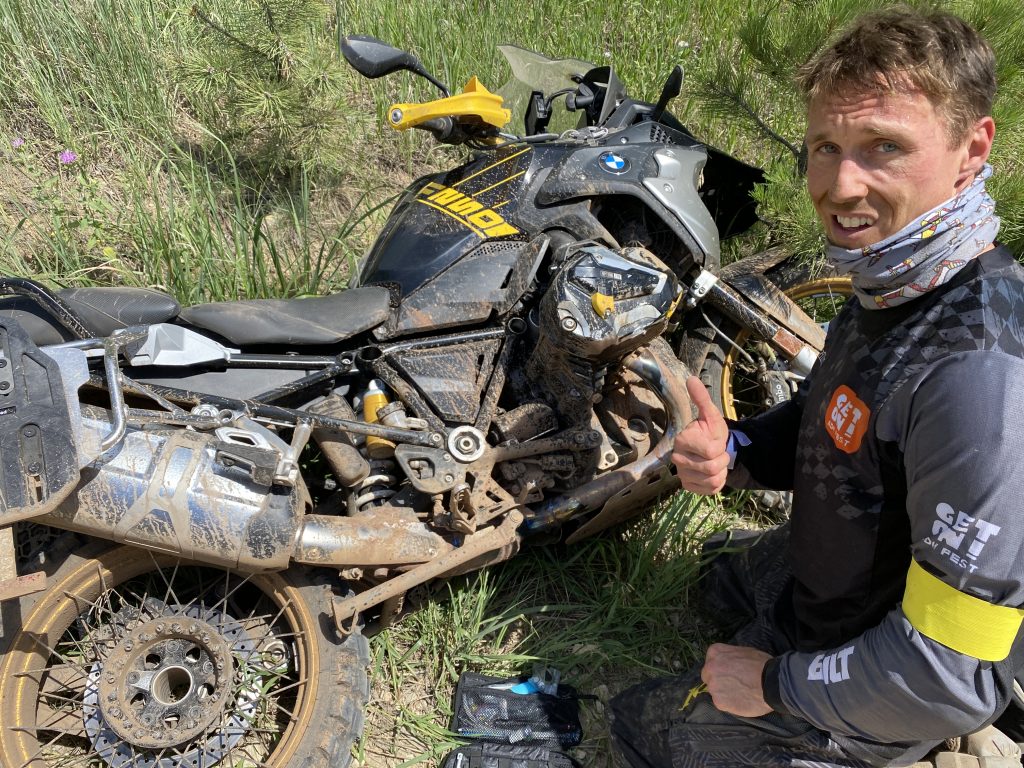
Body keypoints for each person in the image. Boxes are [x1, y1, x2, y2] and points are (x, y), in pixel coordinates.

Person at [610, 7, 1024, 768]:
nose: (840, 186)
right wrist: (733, 450)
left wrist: (775, 682)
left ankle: (921, 752)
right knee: (717, 581)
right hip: (857, 578)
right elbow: (833, 414)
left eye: (884, 148)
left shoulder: (979, 375)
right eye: (824, 147)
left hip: (910, 669)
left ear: (972, 150)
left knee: (638, 724)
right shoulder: (900, 280)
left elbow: (949, 671)